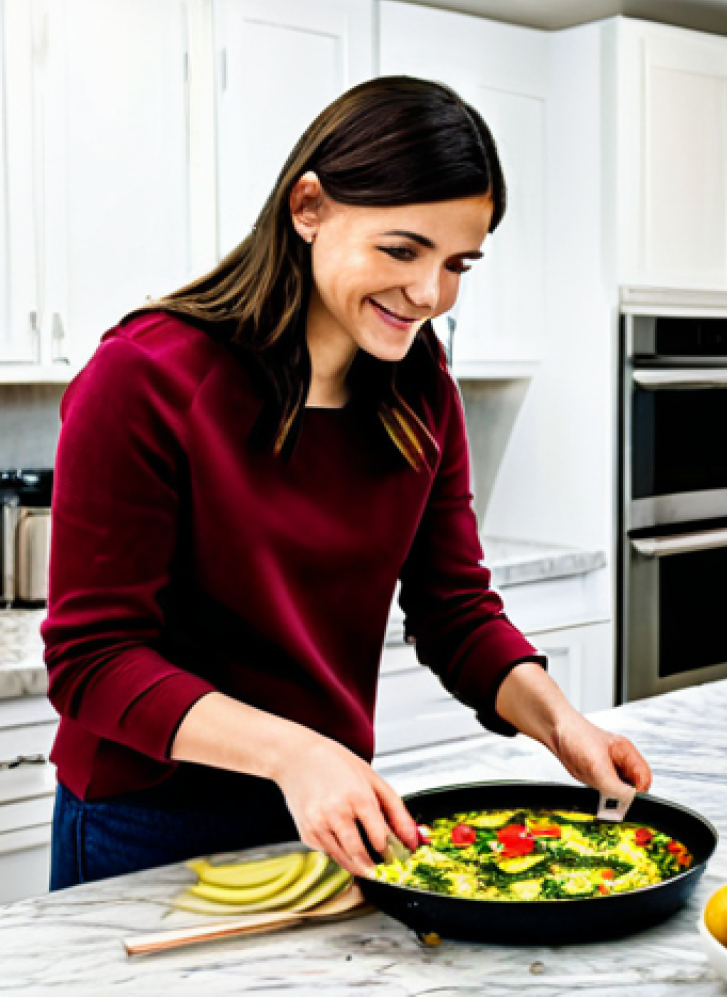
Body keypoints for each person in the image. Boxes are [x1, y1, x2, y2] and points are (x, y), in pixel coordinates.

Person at [43, 76, 651, 890]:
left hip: (331, 805)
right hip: (148, 819)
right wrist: (297, 753)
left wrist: (559, 723)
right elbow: (95, 661)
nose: (429, 294)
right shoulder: (145, 377)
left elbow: (454, 609)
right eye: (402, 251)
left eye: (457, 263)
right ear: (308, 207)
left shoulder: (419, 383)